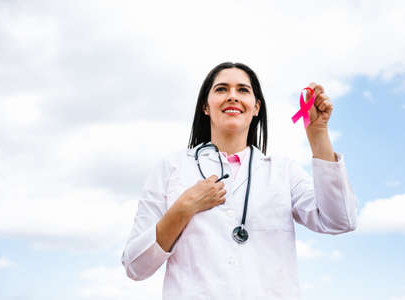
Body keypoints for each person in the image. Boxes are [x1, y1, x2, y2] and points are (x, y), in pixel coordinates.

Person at [121, 62, 357, 299]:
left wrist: (318, 134)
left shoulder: (282, 171)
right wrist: (183, 208)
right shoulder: (171, 168)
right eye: (222, 89)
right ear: (205, 106)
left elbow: (339, 220)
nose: (232, 96)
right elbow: (135, 266)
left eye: (243, 90)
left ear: (256, 108)